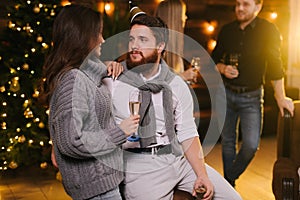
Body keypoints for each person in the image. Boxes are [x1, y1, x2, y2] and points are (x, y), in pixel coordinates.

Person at [103, 14, 242, 200]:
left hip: (177, 159)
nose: (134, 46)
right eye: (131, 39)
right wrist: (101, 67)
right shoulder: (113, 78)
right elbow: (78, 80)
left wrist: (201, 174)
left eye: (143, 40)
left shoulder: (176, 83)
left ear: (160, 46)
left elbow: (188, 133)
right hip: (139, 164)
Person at [39, 4, 140, 200]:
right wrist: (120, 131)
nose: (102, 39)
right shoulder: (72, 79)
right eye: (98, 34)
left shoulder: (81, 75)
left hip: (102, 184)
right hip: (98, 190)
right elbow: (72, 142)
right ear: (82, 37)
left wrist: (106, 67)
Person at [211, 0, 295, 187]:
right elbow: (213, 59)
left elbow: (275, 66)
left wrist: (280, 97)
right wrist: (223, 68)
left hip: (252, 97)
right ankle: (229, 187)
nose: (239, 8)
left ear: (258, 7)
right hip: (225, 94)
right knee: (228, 143)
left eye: (245, 4)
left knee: (250, 145)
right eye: (237, 4)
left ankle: (226, 180)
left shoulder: (269, 30)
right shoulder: (227, 30)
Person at [154, 0, 198, 83]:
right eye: (183, 14)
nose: (185, 17)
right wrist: (183, 76)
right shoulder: (156, 47)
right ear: (175, 17)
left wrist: (186, 79)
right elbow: (154, 84)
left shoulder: (174, 48)